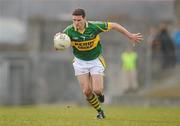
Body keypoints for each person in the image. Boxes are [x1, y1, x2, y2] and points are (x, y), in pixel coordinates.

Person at [55, 8, 143, 119]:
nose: (76, 23)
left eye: (79, 20)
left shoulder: (94, 26)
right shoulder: (69, 31)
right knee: (87, 91)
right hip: (80, 62)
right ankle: (100, 111)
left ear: (84, 19)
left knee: (97, 90)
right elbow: (61, 42)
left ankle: (100, 94)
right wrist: (58, 45)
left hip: (95, 61)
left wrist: (130, 35)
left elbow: (114, 25)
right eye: (74, 20)